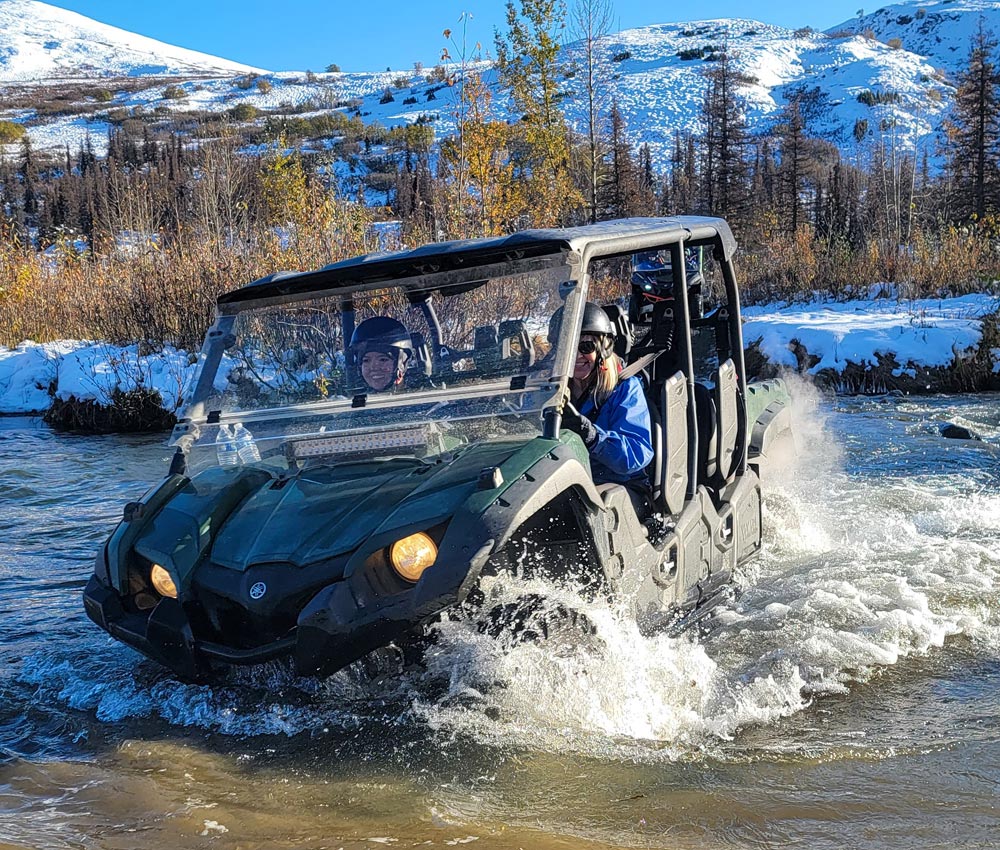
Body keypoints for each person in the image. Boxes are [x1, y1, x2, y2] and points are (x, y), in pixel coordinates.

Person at [560, 302, 654, 497]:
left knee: (576, 507)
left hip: (619, 488)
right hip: (569, 483)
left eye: (586, 346)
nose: (576, 356)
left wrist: (594, 437)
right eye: (568, 348)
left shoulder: (625, 389)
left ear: (604, 348)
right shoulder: (553, 391)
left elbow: (637, 454)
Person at [349, 316, 413, 392]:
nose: (373, 367)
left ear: (402, 363)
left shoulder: (422, 396)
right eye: (366, 360)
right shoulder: (354, 399)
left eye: (383, 359)